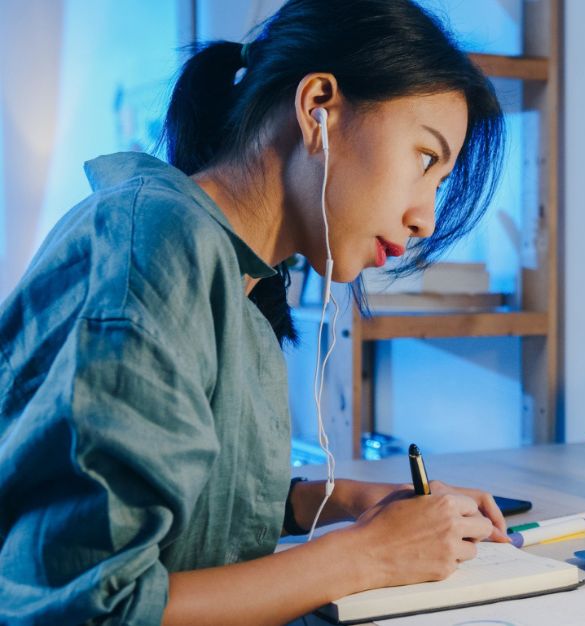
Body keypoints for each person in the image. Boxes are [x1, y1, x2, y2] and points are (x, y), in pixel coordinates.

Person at [0, 2, 511, 624]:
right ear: (318, 106)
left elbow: (190, 508)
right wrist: (369, 554)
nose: (425, 218)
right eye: (426, 159)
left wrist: (342, 498)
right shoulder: (158, 251)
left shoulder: (235, 272)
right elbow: (89, 610)